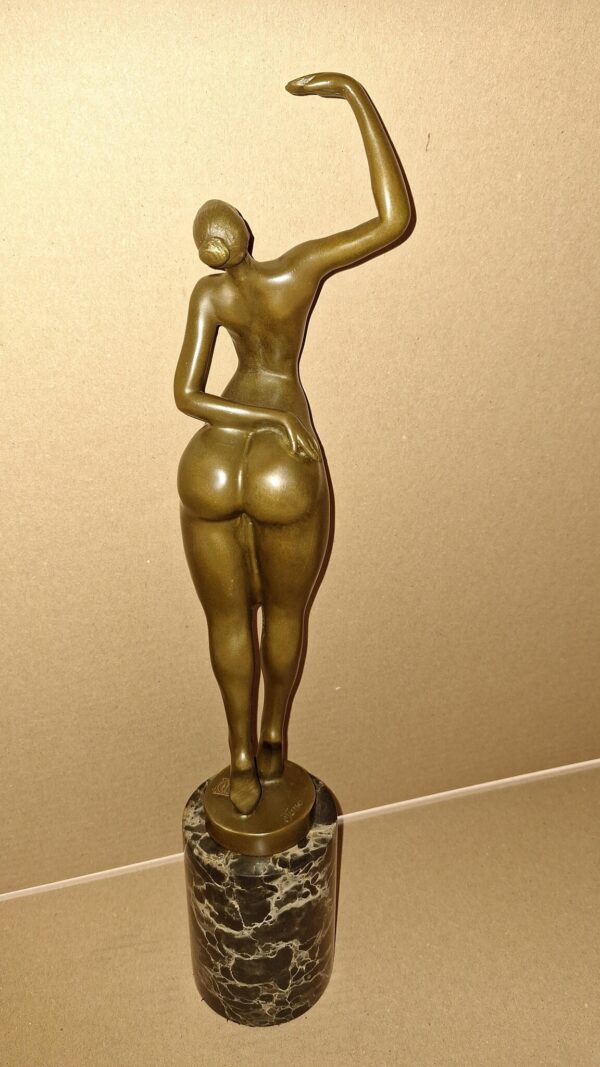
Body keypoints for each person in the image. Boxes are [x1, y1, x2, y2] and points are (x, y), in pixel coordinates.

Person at [174, 72, 411, 815]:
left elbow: (187, 396)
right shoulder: (294, 272)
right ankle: (272, 735)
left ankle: (242, 762)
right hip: (283, 447)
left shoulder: (211, 294)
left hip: (213, 457)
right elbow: (392, 219)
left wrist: (248, 422)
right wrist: (353, 96)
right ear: (243, 236)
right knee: (284, 613)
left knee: (224, 619)